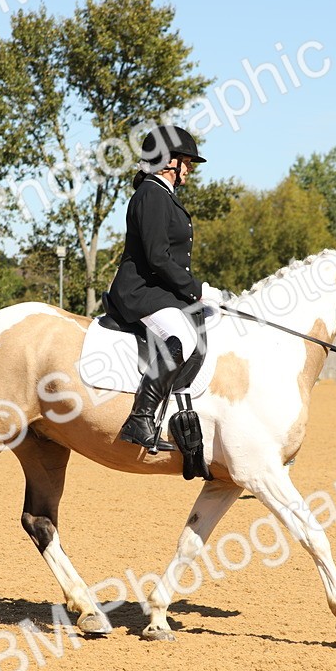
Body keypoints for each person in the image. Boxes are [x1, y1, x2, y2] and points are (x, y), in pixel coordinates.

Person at [105, 125, 229, 451]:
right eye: (185, 161)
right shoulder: (151, 194)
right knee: (183, 339)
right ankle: (141, 417)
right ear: (166, 160)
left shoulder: (163, 196)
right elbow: (158, 258)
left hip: (159, 291)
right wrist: (197, 289)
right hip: (139, 291)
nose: (189, 168)